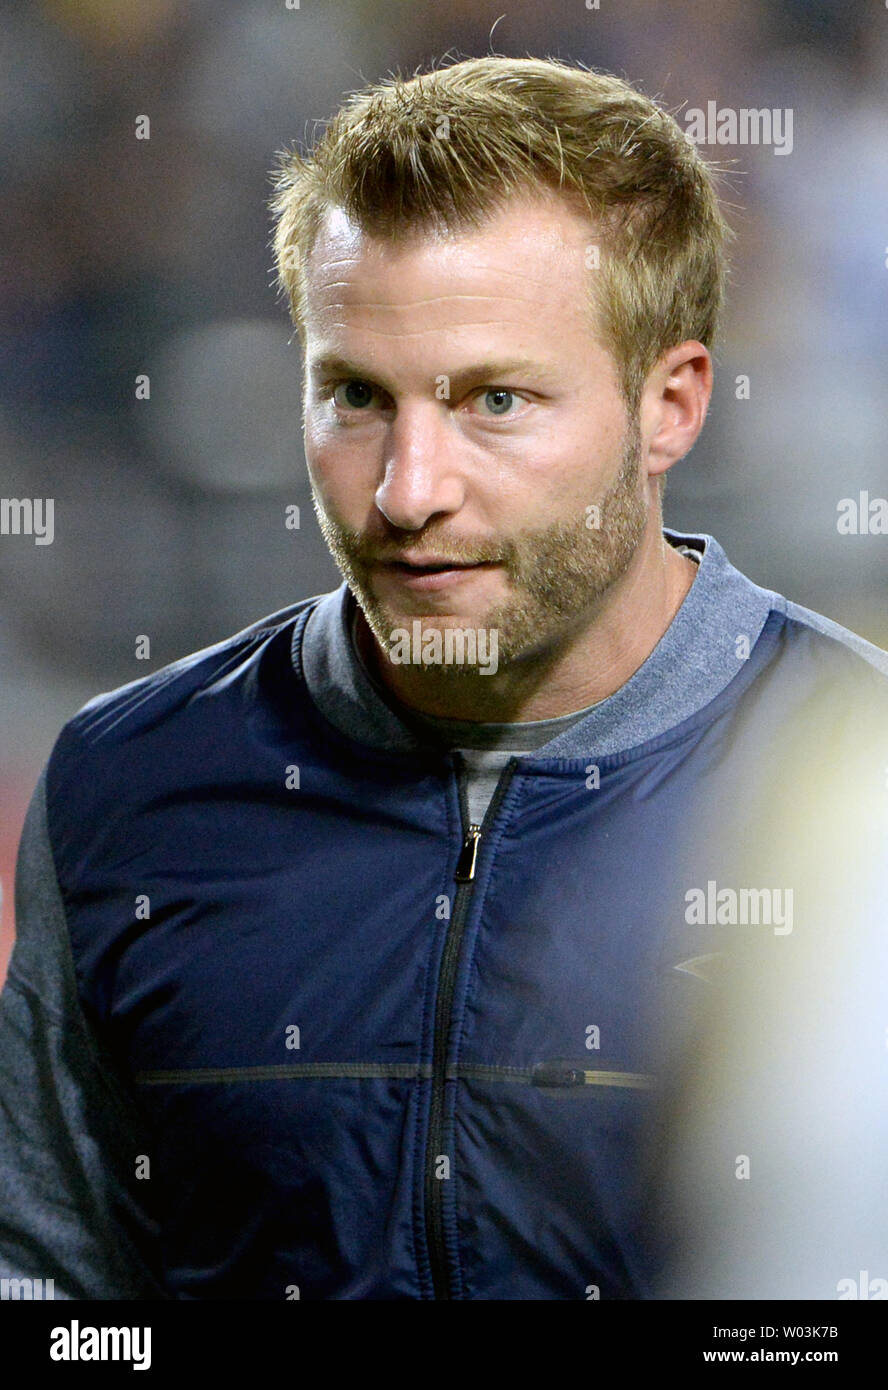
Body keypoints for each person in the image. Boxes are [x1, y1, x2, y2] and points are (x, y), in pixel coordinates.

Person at [2, 55, 887, 1301]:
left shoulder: (858, 790)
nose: (410, 490)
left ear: (670, 404)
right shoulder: (129, 782)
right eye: (356, 396)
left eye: (496, 401)